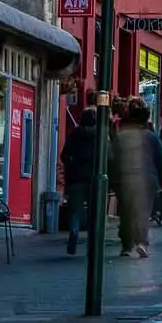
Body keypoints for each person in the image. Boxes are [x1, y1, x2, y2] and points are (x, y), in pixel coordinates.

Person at [110, 98, 162, 259]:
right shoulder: (152, 137)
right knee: (143, 211)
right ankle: (141, 242)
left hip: (125, 179)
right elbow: (161, 160)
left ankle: (126, 245)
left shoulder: (121, 136)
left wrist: (113, 180)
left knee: (126, 212)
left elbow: (112, 160)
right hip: (147, 179)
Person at [60, 107, 100, 256]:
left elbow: (64, 155)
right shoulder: (98, 136)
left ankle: (74, 231)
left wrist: (72, 164)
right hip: (93, 179)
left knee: (75, 211)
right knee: (94, 210)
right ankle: (93, 239)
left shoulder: (74, 134)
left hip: (75, 178)